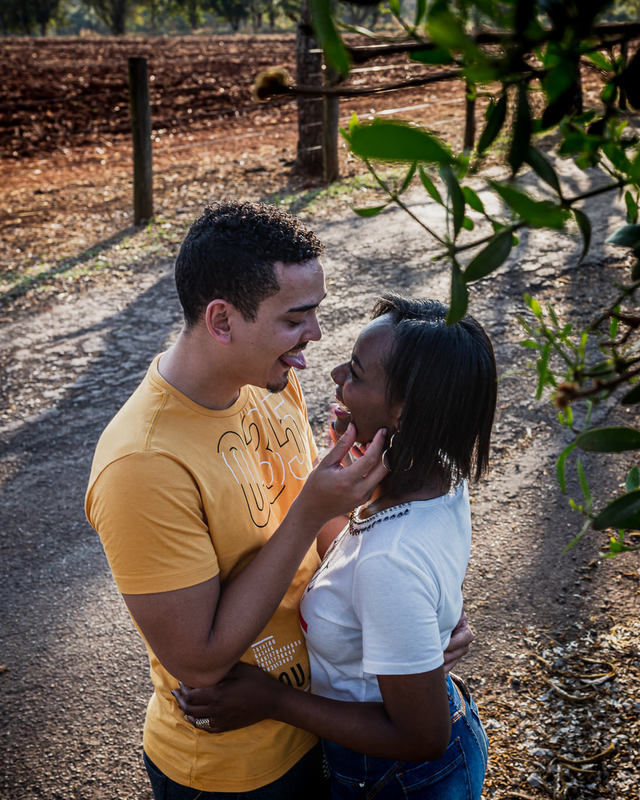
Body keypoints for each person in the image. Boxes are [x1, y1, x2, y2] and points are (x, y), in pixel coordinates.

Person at [85, 204, 473, 799]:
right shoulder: (142, 463)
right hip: (241, 766)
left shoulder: (270, 380)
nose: (314, 334)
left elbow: (331, 531)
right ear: (222, 320)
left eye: (315, 310)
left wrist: (417, 622)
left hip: (332, 718)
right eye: (296, 317)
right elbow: (201, 663)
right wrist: (310, 513)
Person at [174, 295, 496, 800]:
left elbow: (422, 736)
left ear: (405, 411)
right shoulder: (441, 475)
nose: (336, 374)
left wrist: (272, 700)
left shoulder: (390, 560)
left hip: (398, 780)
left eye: (358, 374)